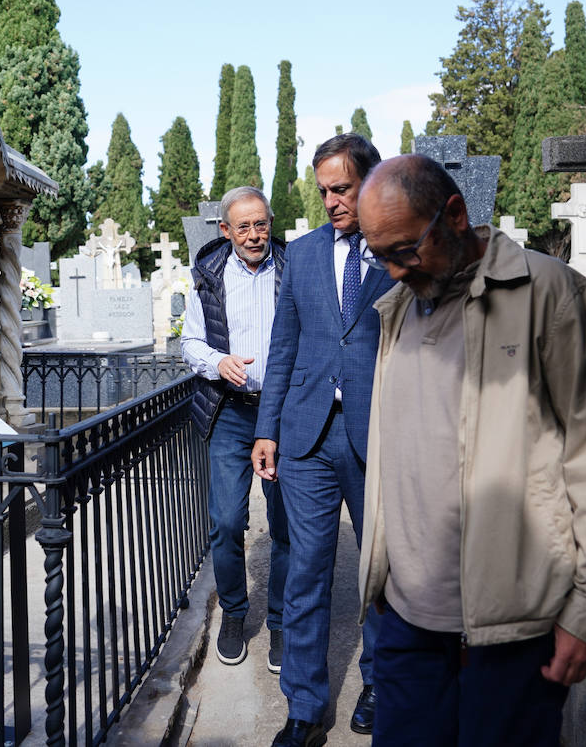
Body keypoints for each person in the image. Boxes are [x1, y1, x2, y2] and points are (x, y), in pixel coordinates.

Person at [355, 154, 586, 746]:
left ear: (455, 215)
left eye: (405, 250)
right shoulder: (398, 309)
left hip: (514, 629)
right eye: (377, 254)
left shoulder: (552, 295)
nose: (390, 272)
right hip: (408, 620)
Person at [253, 134, 391, 747]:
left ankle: (381, 686)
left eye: (342, 188)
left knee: (381, 572)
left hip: (378, 436)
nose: (332, 200)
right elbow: (283, 348)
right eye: (325, 190)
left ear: (370, 182)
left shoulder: (398, 252)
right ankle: (306, 709)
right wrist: (267, 430)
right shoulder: (304, 254)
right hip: (306, 437)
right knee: (305, 572)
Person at [182, 186, 291, 671]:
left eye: (260, 223)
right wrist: (217, 361)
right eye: (243, 226)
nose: (254, 234)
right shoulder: (207, 278)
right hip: (230, 411)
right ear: (225, 230)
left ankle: (284, 623)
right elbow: (188, 343)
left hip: (284, 413)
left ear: (271, 223)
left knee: (286, 523)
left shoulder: (290, 269)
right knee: (226, 523)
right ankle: (234, 613)